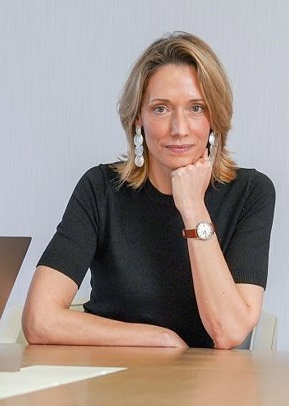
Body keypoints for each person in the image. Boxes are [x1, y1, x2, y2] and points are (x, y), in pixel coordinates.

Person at [22, 32, 275, 349]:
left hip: (207, 379)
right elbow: (39, 320)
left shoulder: (250, 193)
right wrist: (158, 338)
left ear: (215, 118)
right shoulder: (101, 189)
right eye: (160, 109)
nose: (179, 129)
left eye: (196, 108)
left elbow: (228, 332)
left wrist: (192, 206)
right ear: (137, 119)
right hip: (114, 374)